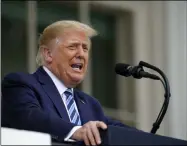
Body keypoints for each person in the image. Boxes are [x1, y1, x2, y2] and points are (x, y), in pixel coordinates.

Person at [2, 20, 137, 145]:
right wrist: (75, 131)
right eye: (72, 47)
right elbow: (30, 118)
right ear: (48, 54)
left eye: (85, 48)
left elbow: (115, 130)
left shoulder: (90, 104)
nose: (81, 54)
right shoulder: (21, 84)